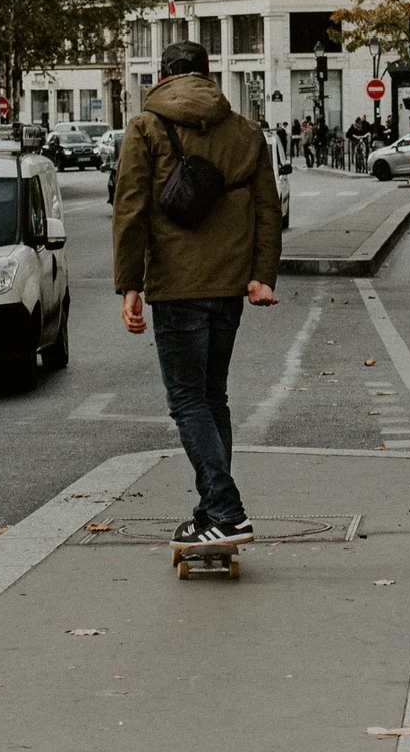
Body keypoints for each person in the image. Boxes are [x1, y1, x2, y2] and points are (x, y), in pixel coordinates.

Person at [112, 41, 284, 549]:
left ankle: (226, 512)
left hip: (175, 285)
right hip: (229, 285)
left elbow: (130, 210)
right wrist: (262, 275)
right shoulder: (245, 130)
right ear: (209, 77)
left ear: (163, 76)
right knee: (213, 399)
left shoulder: (146, 127)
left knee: (187, 400)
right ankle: (211, 510)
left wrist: (130, 285)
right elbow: (267, 209)